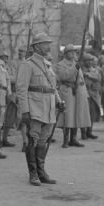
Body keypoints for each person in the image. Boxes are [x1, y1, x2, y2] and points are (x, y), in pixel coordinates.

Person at [16, 32, 65, 186]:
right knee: (33, 139)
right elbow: (21, 89)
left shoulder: (48, 65)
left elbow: (53, 87)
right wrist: (24, 110)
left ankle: (42, 171)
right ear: (37, 46)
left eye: (48, 43)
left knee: (43, 140)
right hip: (35, 106)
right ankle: (33, 174)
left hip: (49, 107)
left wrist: (59, 101)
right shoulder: (27, 64)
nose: (48, 46)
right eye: (45, 43)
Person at [54, 44, 90, 148]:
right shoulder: (60, 64)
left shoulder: (76, 63)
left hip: (77, 91)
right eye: (70, 52)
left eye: (73, 52)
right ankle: (65, 140)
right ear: (65, 54)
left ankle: (73, 138)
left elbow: (81, 78)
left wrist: (84, 92)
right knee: (67, 116)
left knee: (76, 115)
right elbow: (63, 76)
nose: (72, 54)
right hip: (67, 91)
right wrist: (75, 68)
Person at [82, 53, 101, 140]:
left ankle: (89, 131)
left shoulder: (94, 70)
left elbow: (98, 77)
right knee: (83, 115)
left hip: (93, 94)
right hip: (84, 94)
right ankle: (83, 133)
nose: (89, 62)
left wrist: (88, 75)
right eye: (87, 61)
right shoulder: (80, 70)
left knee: (92, 114)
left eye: (90, 60)